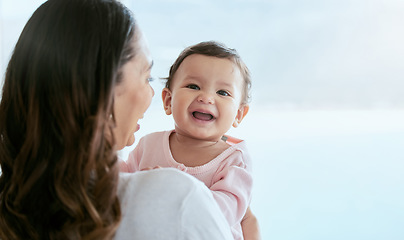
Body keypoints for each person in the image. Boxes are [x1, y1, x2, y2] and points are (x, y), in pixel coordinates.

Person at [0, 0, 244, 239]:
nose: (151, 95)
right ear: (102, 89)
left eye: (223, 92)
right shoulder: (176, 200)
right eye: (146, 78)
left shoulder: (12, 204)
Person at [120, 41, 254, 240]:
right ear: (168, 101)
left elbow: (223, 212)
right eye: (193, 86)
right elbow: (120, 184)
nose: (206, 97)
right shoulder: (149, 145)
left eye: (222, 92)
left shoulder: (234, 160)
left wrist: (165, 189)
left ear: (239, 114)